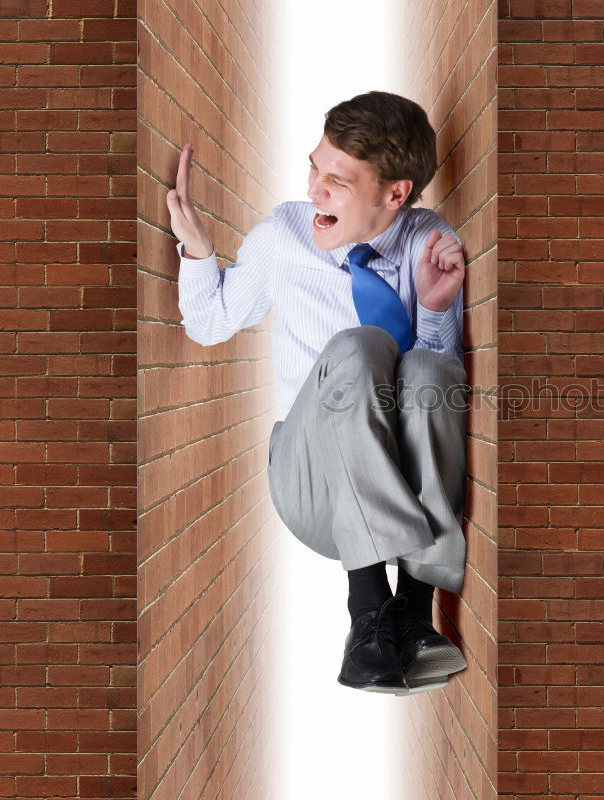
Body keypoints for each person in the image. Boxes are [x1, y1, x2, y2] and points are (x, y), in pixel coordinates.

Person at [167, 91, 468, 695]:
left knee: (433, 373)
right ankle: (365, 608)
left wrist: (436, 310)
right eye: (315, 166)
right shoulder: (284, 234)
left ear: (395, 194)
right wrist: (199, 250)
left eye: (337, 181)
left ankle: (411, 615)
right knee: (358, 347)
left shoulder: (427, 243)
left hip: (402, 481)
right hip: (311, 485)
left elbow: (435, 403)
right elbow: (211, 322)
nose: (314, 190)